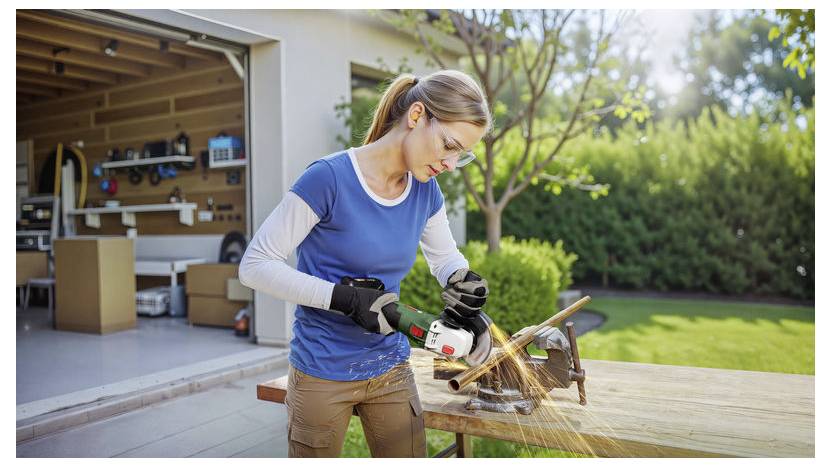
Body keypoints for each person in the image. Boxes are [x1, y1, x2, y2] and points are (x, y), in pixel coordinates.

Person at [238, 69, 493, 458]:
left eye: (462, 154)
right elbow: (255, 265)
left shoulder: (426, 192)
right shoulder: (328, 179)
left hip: (390, 367)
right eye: (449, 145)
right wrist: (344, 299)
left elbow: (444, 258)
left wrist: (462, 281)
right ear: (416, 115)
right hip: (321, 369)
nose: (451, 164)